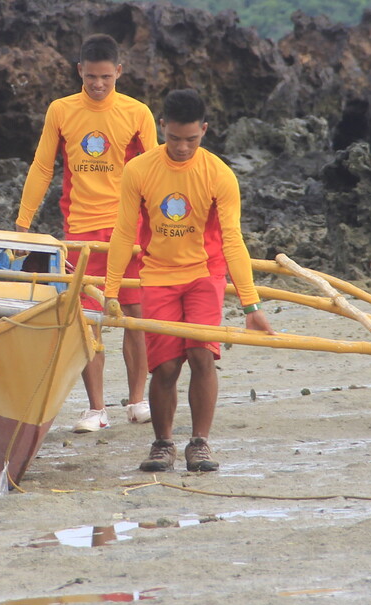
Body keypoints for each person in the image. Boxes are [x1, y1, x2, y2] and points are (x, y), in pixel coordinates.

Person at [104, 88, 274, 474]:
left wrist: (251, 306)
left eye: (192, 140)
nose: (182, 148)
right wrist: (111, 292)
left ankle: (199, 443)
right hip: (158, 276)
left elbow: (232, 239)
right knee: (164, 367)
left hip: (204, 274)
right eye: (175, 138)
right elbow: (123, 232)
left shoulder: (218, 174)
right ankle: (163, 444)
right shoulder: (139, 170)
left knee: (201, 355)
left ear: (205, 131)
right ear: (162, 127)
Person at [16, 33, 157, 432]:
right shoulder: (61, 111)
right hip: (80, 230)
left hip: (128, 231)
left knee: (134, 314)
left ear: (119, 73)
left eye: (106, 78)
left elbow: (153, 174)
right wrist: (23, 222)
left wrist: (160, 234)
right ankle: (96, 408)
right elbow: (43, 167)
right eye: (91, 76)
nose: (98, 84)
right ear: (80, 70)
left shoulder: (137, 113)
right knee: (87, 319)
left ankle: (137, 400)